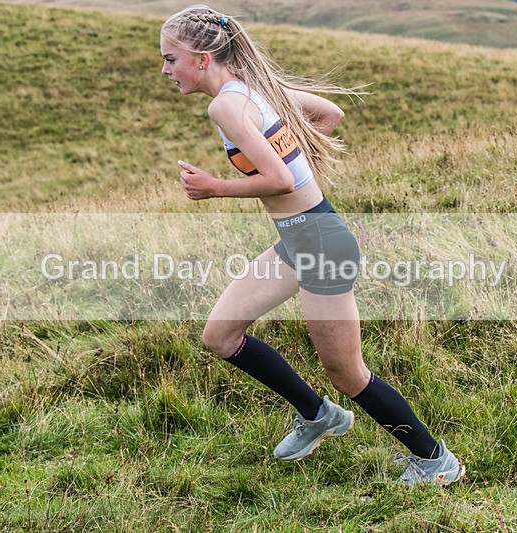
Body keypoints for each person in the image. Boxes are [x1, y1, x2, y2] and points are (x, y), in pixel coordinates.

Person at [160, 4, 464, 487]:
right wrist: (296, 153)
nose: (165, 70)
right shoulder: (254, 90)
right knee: (219, 336)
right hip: (298, 239)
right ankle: (317, 414)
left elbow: (278, 179)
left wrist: (214, 187)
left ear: (200, 58)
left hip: (320, 242)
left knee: (347, 373)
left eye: (170, 59)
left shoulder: (226, 104)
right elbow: (329, 114)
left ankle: (434, 460)